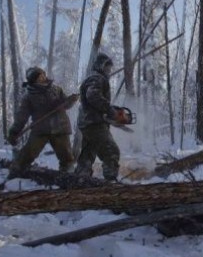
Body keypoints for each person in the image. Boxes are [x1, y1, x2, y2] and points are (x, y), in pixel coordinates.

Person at [7, 67, 79, 178]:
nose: (43, 77)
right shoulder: (29, 96)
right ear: (33, 80)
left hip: (60, 127)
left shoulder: (56, 89)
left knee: (66, 156)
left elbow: (66, 105)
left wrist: (70, 100)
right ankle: (15, 172)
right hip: (40, 130)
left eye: (43, 74)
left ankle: (68, 176)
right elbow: (22, 115)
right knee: (28, 153)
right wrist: (14, 131)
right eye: (39, 76)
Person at [75, 52, 120, 181]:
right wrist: (110, 109)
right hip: (94, 123)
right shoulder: (97, 78)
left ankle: (80, 178)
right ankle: (110, 182)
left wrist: (108, 113)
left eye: (110, 68)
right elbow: (92, 96)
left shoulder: (94, 78)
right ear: (100, 66)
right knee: (111, 151)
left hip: (88, 123)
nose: (109, 71)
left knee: (88, 153)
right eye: (107, 67)